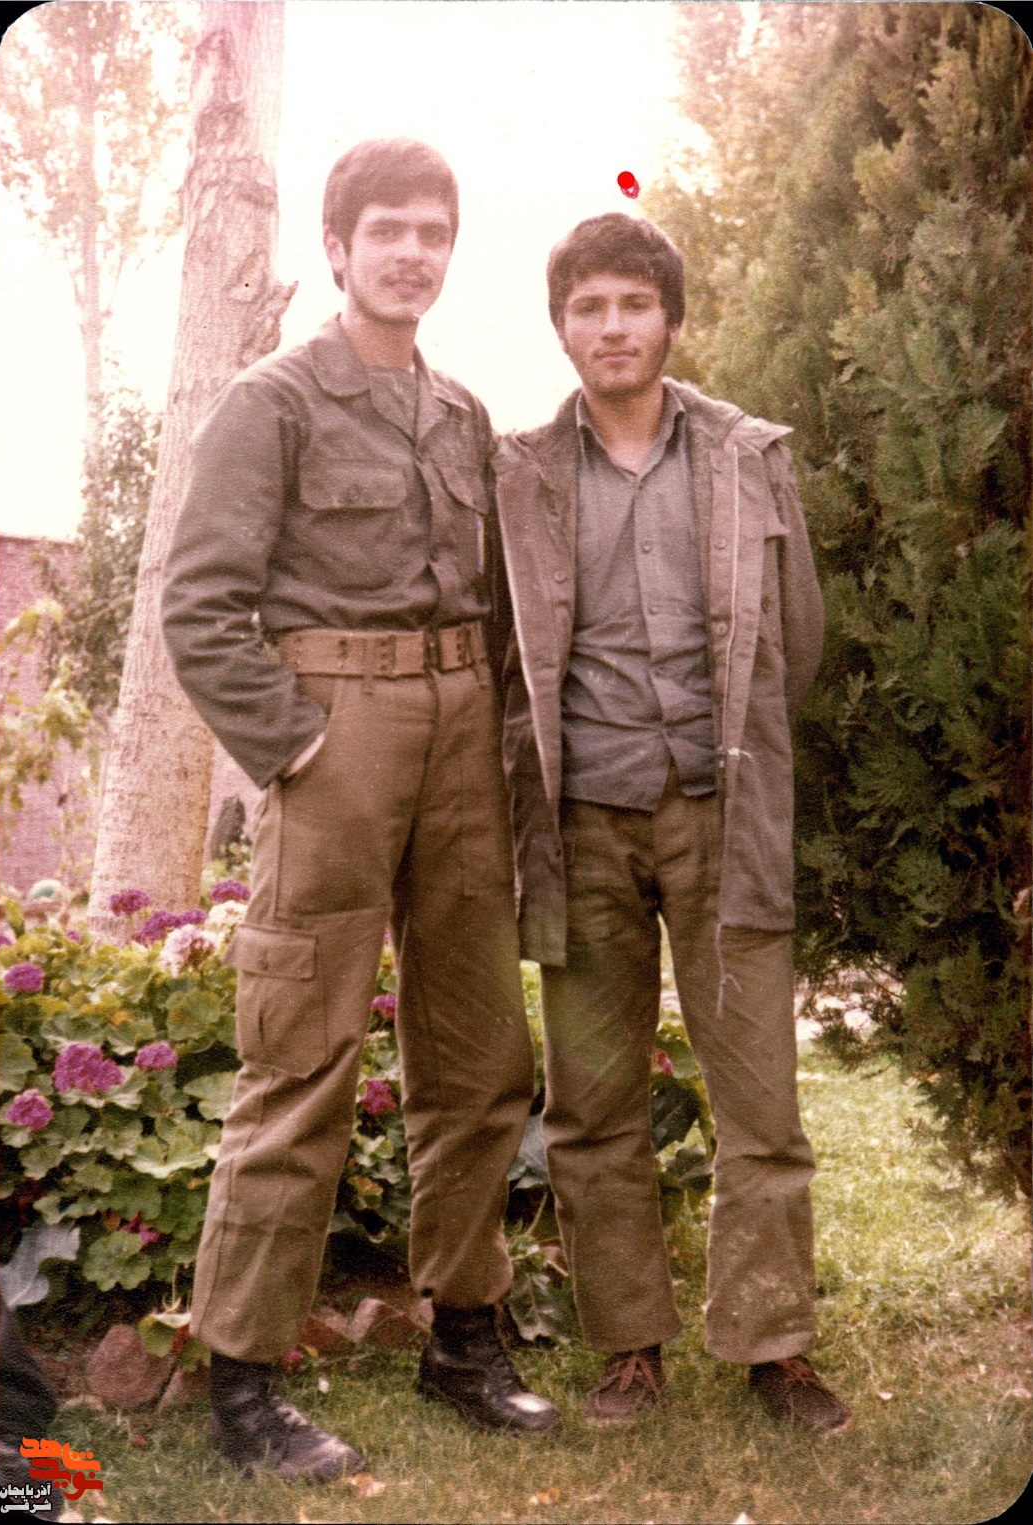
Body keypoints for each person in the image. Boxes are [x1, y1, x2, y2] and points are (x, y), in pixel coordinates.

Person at [160, 138, 559, 1483]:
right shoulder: (270, 402)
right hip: (335, 737)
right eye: (387, 230)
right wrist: (300, 746)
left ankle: (464, 1337)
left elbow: (499, 602)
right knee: (300, 1056)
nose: (411, 253)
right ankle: (245, 1381)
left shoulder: (460, 414)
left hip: (460, 740)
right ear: (337, 248)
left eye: (432, 233)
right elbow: (200, 610)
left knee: (479, 1053)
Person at [492, 213, 852, 1434]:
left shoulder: (749, 458)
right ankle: (627, 1347)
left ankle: (773, 1347)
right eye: (588, 307)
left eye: (633, 304)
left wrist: (728, 756)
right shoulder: (518, 474)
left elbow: (795, 635)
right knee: (591, 1105)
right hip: (579, 827)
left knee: (760, 1100)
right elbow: (506, 654)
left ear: (671, 320)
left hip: (719, 815)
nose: (612, 327)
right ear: (562, 328)